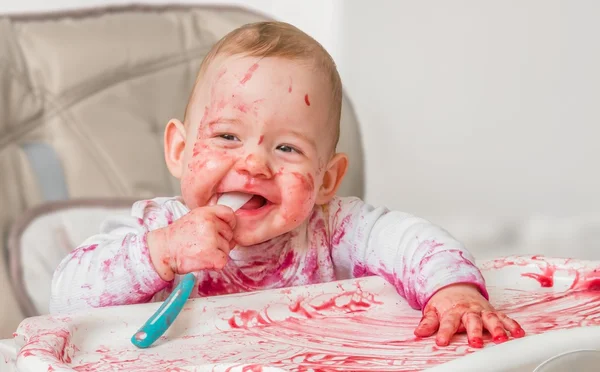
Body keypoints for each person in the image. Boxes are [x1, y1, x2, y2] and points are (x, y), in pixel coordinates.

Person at [50, 21, 524, 348]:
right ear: (178, 149)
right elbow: (67, 298)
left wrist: (452, 292)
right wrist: (160, 254)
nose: (254, 162)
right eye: (228, 136)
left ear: (326, 180)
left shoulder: (334, 229)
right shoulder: (161, 229)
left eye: (287, 149)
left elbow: (410, 242)